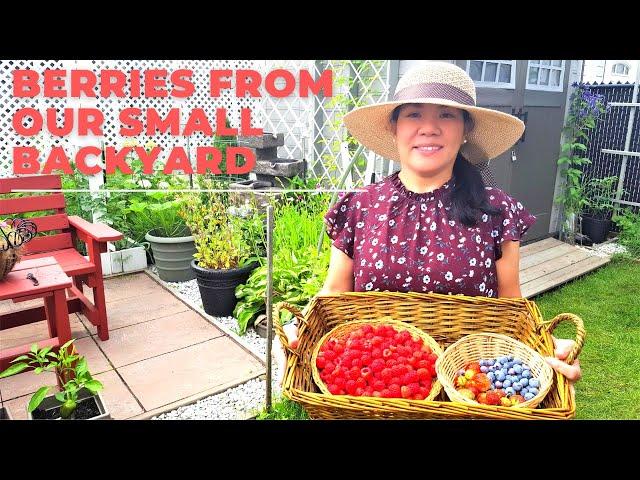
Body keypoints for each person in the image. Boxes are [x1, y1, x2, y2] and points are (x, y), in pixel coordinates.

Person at [281, 61, 581, 386]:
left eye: (446, 114)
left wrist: (548, 349)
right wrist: (301, 329)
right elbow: (335, 294)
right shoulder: (360, 207)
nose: (429, 127)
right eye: (413, 113)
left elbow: (511, 310)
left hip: (466, 386)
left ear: (465, 129)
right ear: (394, 127)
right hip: (375, 391)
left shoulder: (496, 212)